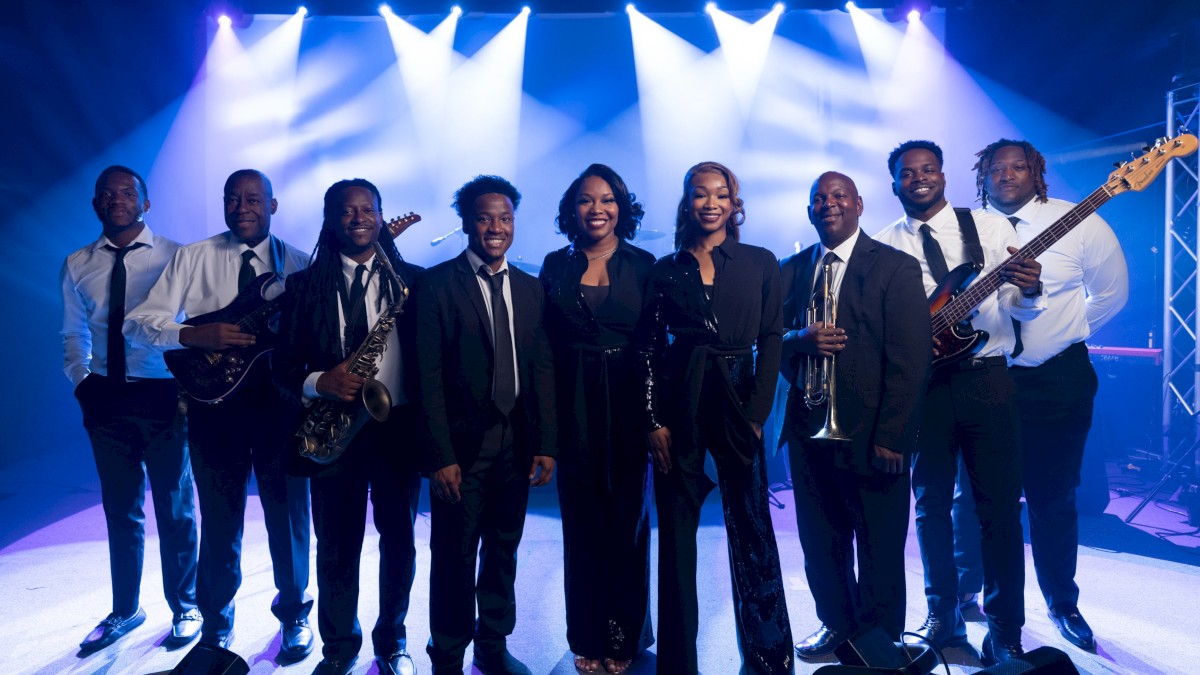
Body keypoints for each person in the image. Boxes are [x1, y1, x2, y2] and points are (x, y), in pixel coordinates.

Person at [124, 169, 314, 659]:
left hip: (281, 405)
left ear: (273, 206)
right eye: (233, 199)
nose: (242, 207)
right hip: (214, 406)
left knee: (289, 515)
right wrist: (192, 335)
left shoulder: (300, 264)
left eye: (253, 199)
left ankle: (294, 614)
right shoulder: (195, 256)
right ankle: (217, 619)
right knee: (221, 517)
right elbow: (138, 322)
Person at [949, 139, 1129, 653]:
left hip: (1057, 379)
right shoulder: (964, 228)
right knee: (974, 497)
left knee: (1054, 498)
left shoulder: (1080, 221)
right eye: (995, 168)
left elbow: (1113, 294)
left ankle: (1062, 603)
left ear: (1037, 172)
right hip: (981, 377)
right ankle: (967, 594)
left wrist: (1066, 331)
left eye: (1018, 166)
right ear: (981, 175)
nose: (1007, 175)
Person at [873, 141, 1044, 666]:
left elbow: (1022, 311)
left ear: (943, 176)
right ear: (895, 183)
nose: (919, 179)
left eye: (928, 170)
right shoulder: (881, 245)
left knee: (999, 510)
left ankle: (1004, 628)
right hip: (921, 389)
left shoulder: (990, 229)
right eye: (908, 173)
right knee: (928, 508)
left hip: (986, 379)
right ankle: (941, 615)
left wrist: (1031, 290)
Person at [638, 161, 794, 674]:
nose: (711, 203)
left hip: (739, 400)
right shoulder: (665, 269)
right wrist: (653, 419)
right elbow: (649, 352)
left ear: (734, 203)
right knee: (676, 540)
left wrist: (757, 413)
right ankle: (678, 665)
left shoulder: (759, 261)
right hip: (680, 403)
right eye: (700, 194)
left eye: (721, 194)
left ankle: (769, 659)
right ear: (688, 203)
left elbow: (772, 338)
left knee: (752, 532)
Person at [273, 179, 424, 675]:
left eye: (368, 209)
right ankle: (338, 647)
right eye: (346, 211)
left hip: (395, 427)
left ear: (381, 216)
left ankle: (392, 640)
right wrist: (320, 381)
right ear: (330, 220)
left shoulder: (413, 282)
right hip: (334, 430)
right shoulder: (302, 288)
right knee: (336, 543)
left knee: (398, 539)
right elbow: (282, 366)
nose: (358, 218)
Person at [780, 172, 931, 658]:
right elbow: (768, 342)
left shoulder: (895, 266)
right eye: (819, 199)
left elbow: (912, 359)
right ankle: (836, 626)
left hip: (873, 435)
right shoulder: (789, 269)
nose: (829, 204)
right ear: (809, 212)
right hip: (809, 430)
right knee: (820, 543)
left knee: (879, 545)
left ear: (860, 205)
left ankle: (881, 641)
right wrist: (796, 340)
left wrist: (893, 435)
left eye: (839, 196)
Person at [414, 175, 556, 675]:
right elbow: (425, 376)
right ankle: (448, 656)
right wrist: (439, 455)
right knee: (453, 556)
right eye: (484, 217)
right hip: (459, 450)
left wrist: (545, 443)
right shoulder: (435, 285)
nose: (496, 227)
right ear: (466, 223)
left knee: (502, 551)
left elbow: (540, 369)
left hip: (515, 445)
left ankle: (492, 646)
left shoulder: (531, 287)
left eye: (505, 218)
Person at [62, 165, 201, 654]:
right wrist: (84, 385)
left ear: (146, 203)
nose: (116, 199)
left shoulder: (177, 256)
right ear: (96, 205)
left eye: (127, 193)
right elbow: (72, 334)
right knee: (120, 509)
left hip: (165, 393)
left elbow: (194, 324)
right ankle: (126, 610)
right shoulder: (78, 264)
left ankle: (186, 606)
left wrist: (190, 388)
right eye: (106, 194)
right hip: (107, 397)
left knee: (175, 506)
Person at [540, 164, 656, 674]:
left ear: (622, 207)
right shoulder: (553, 265)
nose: (597, 209)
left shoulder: (646, 264)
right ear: (572, 209)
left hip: (630, 405)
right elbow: (543, 348)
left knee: (628, 525)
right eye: (586, 200)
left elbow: (656, 346)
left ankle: (622, 636)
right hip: (573, 404)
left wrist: (657, 417)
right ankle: (586, 635)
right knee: (582, 526)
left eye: (607, 200)